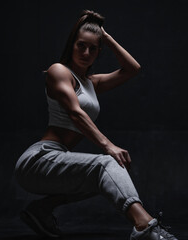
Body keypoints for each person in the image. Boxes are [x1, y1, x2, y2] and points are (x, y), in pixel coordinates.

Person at [14, 9, 178, 240]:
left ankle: (40, 210)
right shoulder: (59, 71)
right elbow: (75, 113)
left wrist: (107, 39)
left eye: (93, 48)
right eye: (81, 45)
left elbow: (133, 69)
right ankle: (145, 227)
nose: (86, 52)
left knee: (108, 181)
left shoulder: (92, 83)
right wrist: (108, 146)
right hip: (38, 160)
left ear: (99, 51)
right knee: (106, 165)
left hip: (57, 160)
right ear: (72, 45)